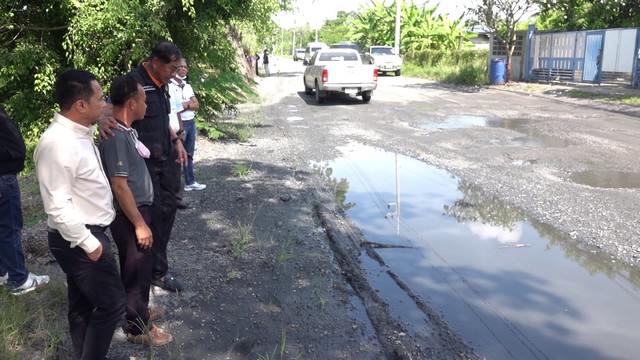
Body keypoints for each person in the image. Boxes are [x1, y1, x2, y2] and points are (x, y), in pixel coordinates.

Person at [34, 69, 126, 360]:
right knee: (112, 303)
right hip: (78, 236)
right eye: (101, 99)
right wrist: (91, 244)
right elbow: (57, 206)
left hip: (87, 232)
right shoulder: (57, 144)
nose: (106, 103)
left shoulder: (80, 133)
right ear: (80, 105)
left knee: (83, 304)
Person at [100, 41, 187, 292]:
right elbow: (109, 109)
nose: (174, 74)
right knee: (154, 217)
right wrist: (102, 121)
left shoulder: (163, 85)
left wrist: (177, 141)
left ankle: (156, 264)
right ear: (156, 63)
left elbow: (162, 118)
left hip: (166, 156)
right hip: (144, 164)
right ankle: (157, 272)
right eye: (171, 68)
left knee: (170, 208)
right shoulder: (133, 83)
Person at [99, 74, 172, 346]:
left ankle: (140, 312)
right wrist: (140, 223)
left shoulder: (124, 129)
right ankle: (136, 328)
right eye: (143, 101)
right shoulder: (116, 136)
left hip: (139, 211)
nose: (147, 106)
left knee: (141, 266)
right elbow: (119, 186)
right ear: (131, 103)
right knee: (135, 270)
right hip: (131, 215)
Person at [0, 106, 49, 296]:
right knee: (9, 228)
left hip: (5, 175)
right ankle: (19, 279)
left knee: (4, 228)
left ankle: (4, 272)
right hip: (3, 176)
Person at [169, 58, 206, 192]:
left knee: (189, 153)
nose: (183, 69)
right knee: (177, 154)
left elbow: (196, 105)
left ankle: (190, 181)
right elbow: (175, 108)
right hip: (180, 123)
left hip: (191, 121)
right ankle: (175, 186)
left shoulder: (187, 85)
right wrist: (186, 105)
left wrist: (187, 105)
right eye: (181, 66)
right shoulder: (170, 86)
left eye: (185, 66)